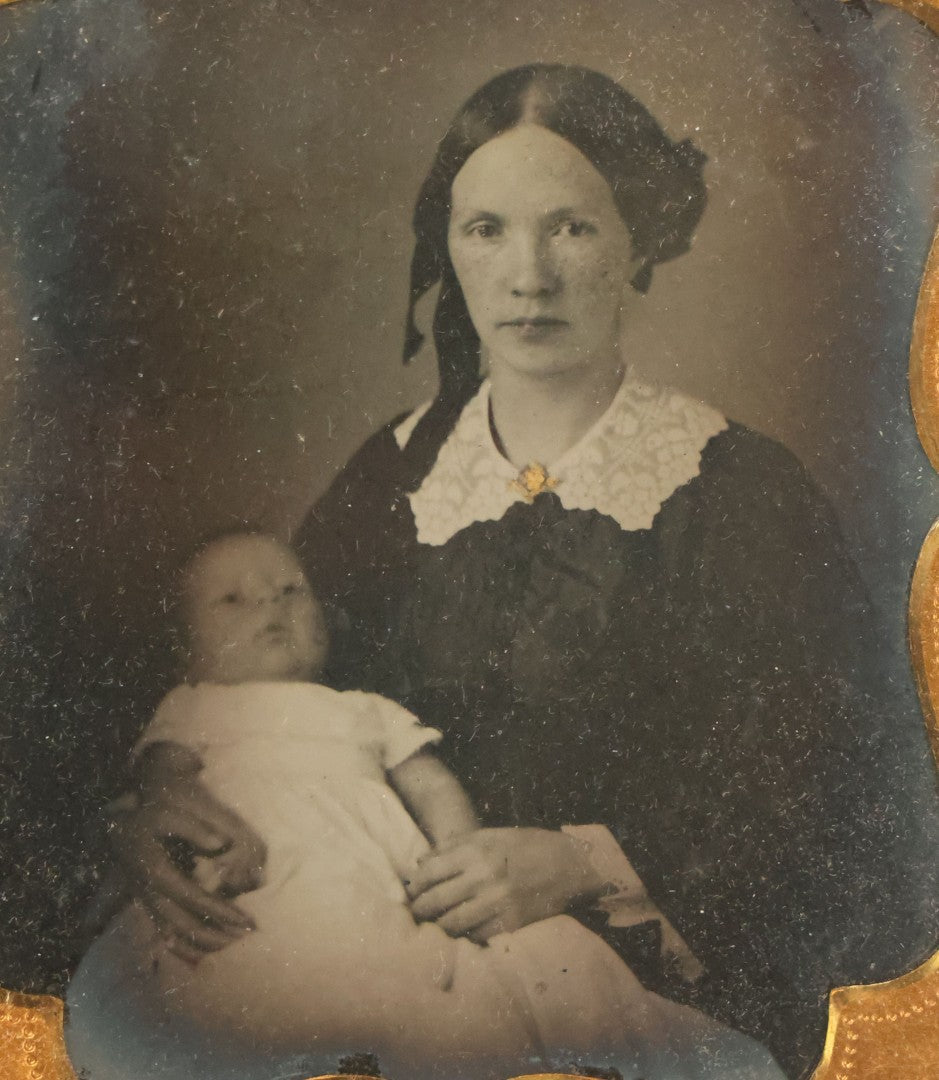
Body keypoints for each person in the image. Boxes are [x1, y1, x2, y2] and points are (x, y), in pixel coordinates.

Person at [110, 64, 928, 1079]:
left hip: (637, 988)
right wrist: (153, 803)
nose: (527, 274)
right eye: (486, 229)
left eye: (573, 228)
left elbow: (836, 789)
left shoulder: (740, 489)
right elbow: (251, 694)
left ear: (638, 242)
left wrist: (585, 860)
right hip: (373, 965)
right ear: (448, 250)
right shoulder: (389, 476)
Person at [66, 531, 782, 1080]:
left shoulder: (361, 709)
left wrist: (460, 852)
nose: (273, 608)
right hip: (254, 871)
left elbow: (430, 782)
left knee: (420, 968)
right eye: (234, 600)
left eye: (292, 590)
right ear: (185, 646)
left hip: (362, 870)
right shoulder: (194, 705)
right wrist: (174, 801)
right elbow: (165, 779)